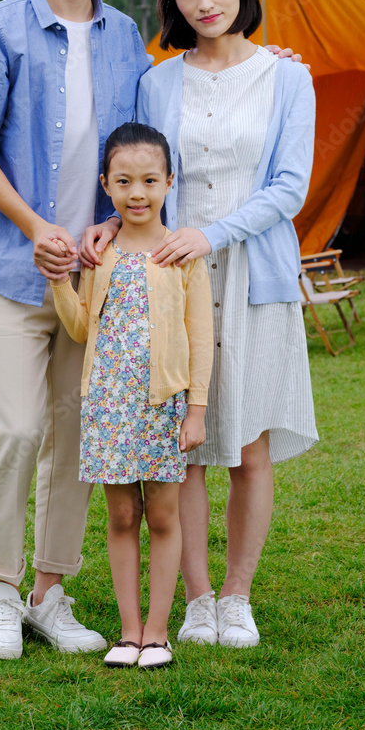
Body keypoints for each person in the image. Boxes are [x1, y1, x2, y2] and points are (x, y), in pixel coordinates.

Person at [81, 0, 318, 649]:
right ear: (173, 2)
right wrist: (110, 230)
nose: (204, 1)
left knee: (247, 444)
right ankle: (196, 597)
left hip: (254, 271)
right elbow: (138, 172)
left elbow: (289, 186)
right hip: (167, 284)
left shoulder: (287, 77)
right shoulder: (158, 81)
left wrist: (213, 235)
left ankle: (238, 597)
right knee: (178, 446)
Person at [0, 0, 151, 659]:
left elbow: (132, 151)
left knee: (76, 435)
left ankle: (49, 594)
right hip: (9, 263)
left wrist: (105, 226)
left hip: (91, 278)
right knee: (16, 430)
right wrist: (35, 226)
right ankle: (1, 589)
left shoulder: (127, 35)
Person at [49, 123, 213, 668]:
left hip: (164, 407)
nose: (137, 192)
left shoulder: (183, 254)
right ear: (106, 185)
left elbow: (198, 340)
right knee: (122, 517)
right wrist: (58, 282)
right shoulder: (101, 254)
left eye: (149, 180)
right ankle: (129, 632)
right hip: (109, 407)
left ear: (169, 182)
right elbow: (79, 329)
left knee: (163, 517)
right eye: (123, 181)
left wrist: (196, 411)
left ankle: (159, 634)